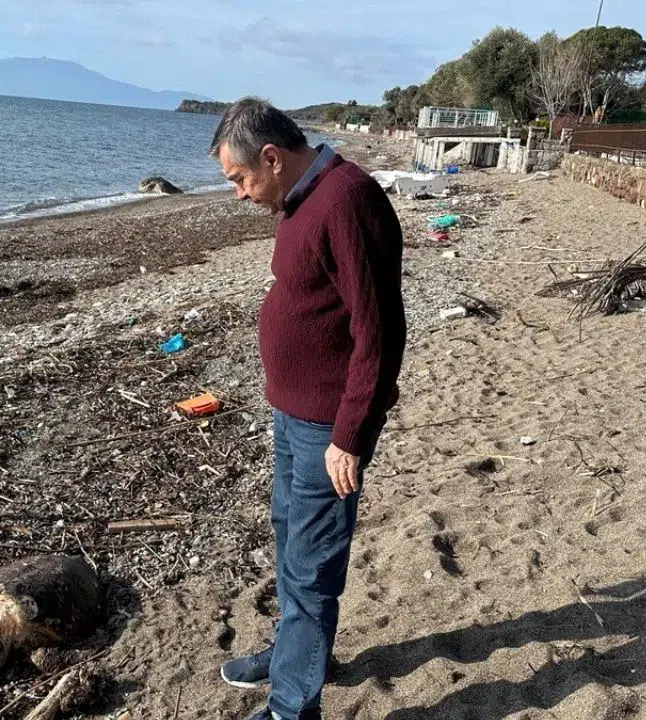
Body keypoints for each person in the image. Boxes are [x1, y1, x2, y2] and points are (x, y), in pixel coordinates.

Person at [210, 98, 407, 720]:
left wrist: (351, 433)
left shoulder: (348, 200)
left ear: (272, 157)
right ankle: (295, 653)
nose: (239, 194)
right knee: (290, 539)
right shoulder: (300, 200)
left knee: (313, 566)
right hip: (293, 416)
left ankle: (292, 707)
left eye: (240, 179)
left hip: (328, 426)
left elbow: (380, 331)